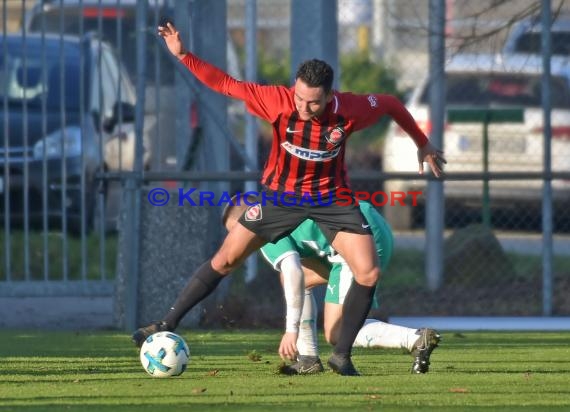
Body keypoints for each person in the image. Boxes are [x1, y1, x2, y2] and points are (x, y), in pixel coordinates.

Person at [133, 22, 446, 376]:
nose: (304, 107)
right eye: (299, 98)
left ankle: (340, 356)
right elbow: (225, 84)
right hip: (280, 199)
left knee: (368, 271)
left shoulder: (351, 110)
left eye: (313, 102)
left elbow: (389, 104)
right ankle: (165, 323)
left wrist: (422, 143)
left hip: (332, 200)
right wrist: (185, 56)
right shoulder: (277, 101)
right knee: (225, 260)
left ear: (329, 96)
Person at [222, 199, 441, 375]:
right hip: (366, 219)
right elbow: (300, 275)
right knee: (301, 281)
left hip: (356, 232)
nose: (235, 241)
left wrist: (291, 331)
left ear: (247, 220)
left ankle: (414, 338)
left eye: (234, 232)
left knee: (337, 332)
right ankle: (308, 359)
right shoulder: (276, 208)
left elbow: (292, 272)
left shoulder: (261, 228)